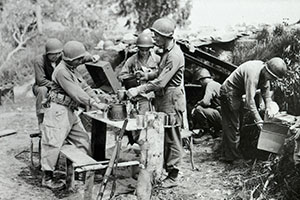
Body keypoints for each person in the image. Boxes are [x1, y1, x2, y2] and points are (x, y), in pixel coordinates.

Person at [127, 17, 186, 188]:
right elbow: (160, 74)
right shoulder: (167, 52)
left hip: (171, 99)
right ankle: (165, 170)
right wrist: (147, 76)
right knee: (164, 135)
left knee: (172, 136)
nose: (154, 39)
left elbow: (161, 82)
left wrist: (138, 89)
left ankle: (173, 175)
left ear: (166, 36)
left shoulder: (174, 55)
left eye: (157, 36)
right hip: (164, 97)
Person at [41, 41, 108, 189]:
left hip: (70, 110)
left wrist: (97, 98)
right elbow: (76, 93)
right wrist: (95, 104)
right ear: (72, 59)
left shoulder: (72, 68)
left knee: (82, 139)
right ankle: (47, 178)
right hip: (58, 111)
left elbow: (84, 86)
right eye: (79, 59)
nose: (82, 61)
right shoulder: (62, 71)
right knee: (53, 143)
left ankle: (80, 171)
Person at [220, 57, 287, 163]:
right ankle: (232, 157)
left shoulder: (265, 75)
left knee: (236, 123)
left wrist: (269, 107)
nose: (272, 80)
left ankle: (228, 153)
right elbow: (249, 101)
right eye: (272, 77)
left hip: (236, 93)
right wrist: (259, 120)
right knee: (233, 125)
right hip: (229, 91)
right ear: (266, 70)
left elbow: (267, 95)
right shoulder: (253, 74)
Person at [118, 32, 160, 114]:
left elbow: (162, 76)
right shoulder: (132, 60)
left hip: (155, 94)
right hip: (139, 95)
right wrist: (133, 76)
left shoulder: (157, 59)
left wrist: (151, 74)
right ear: (138, 48)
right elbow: (121, 75)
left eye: (146, 50)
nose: (144, 53)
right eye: (142, 50)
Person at [32, 38, 63, 129]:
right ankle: (41, 120)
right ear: (47, 54)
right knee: (42, 90)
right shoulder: (39, 60)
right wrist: (56, 86)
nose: (56, 56)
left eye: (58, 53)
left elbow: (74, 57)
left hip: (58, 86)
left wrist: (91, 58)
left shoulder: (61, 58)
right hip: (42, 86)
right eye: (53, 54)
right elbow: (40, 81)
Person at [191, 68, 222, 139]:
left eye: (199, 82)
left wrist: (197, 104)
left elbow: (206, 102)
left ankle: (207, 133)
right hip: (226, 117)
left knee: (198, 109)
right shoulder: (216, 84)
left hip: (223, 117)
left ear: (201, 80)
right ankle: (217, 131)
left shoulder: (210, 85)